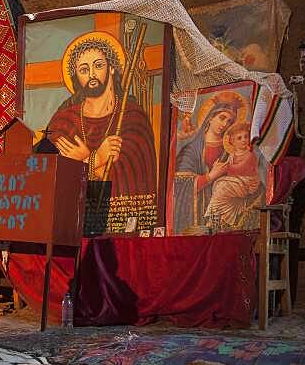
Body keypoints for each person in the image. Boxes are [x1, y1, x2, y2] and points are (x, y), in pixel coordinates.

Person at [46, 32, 157, 199]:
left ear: (111, 68)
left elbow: (135, 182)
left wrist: (83, 162)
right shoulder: (63, 123)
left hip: (119, 220)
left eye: (98, 66)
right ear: (77, 77)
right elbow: (50, 183)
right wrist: (96, 159)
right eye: (84, 69)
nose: (91, 74)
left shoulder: (132, 118)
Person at [172, 92, 243, 233]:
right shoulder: (191, 150)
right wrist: (211, 176)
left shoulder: (230, 150)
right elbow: (180, 186)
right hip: (197, 215)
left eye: (230, 122)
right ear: (210, 118)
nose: (224, 124)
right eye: (222, 118)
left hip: (222, 212)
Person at [203, 122, 264, 228]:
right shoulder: (232, 156)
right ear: (232, 142)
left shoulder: (249, 155)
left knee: (222, 187)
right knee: (218, 186)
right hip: (236, 182)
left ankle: (213, 215)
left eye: (246, 137)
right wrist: (218, 167)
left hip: (247, 183)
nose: (244, 140)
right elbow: (229, 170)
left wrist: (226, 168)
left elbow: (241, 168)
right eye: (239, 138)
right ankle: (221, 218)